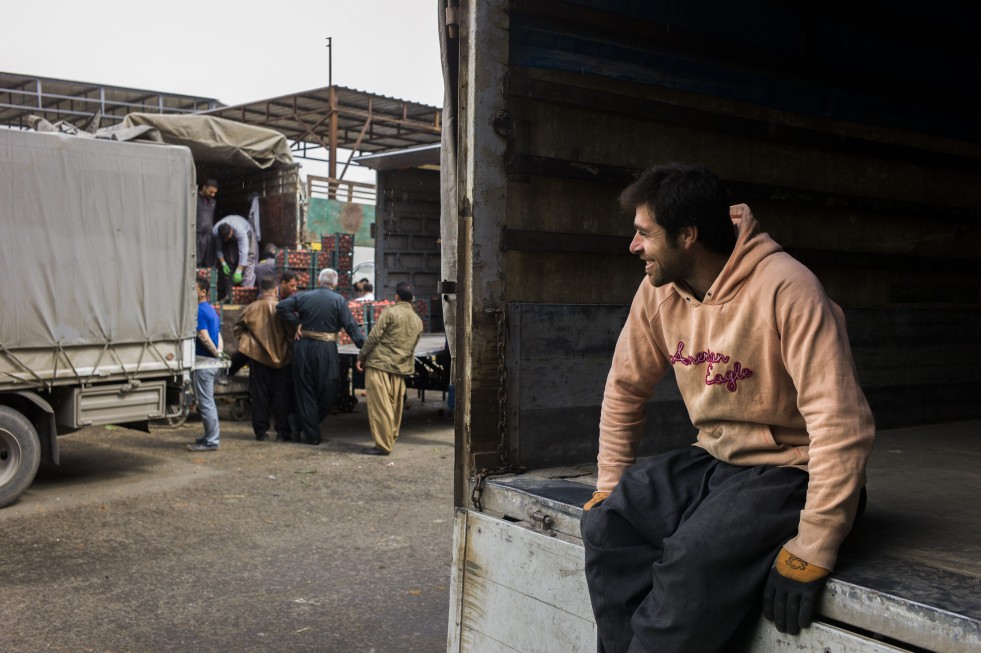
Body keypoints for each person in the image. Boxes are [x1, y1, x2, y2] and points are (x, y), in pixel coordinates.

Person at [580, 162, 875, 652]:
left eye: (644, 234)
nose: (633, 247)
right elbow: (625, 388)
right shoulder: (658, 292)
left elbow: (840, 423)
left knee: (691, 561)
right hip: (717, 458)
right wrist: (609, 484)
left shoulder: (788, 288)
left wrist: (815, 543)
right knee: (608, 523)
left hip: (792, 469)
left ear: (688, 236)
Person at [276, 268, 365, 445]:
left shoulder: (303, 296)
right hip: (325, 349)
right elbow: (351, 327)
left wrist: (296, 323)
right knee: (329, 389)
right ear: (336, 283)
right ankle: (312, 435)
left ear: (318, 280)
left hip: (303, 348)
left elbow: (282, 306)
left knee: (305, 390)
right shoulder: (339, 300)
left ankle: (301, 423)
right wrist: (365, 347)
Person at [355, 282, 423, 455]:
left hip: (379, 364)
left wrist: (361, 357)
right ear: (412, 299)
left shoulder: (390, 312)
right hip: (399, 368)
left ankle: (383, 446)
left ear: (396, 297)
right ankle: (390, 438)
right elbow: (413, 346)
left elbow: (374, 336)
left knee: (380, 407)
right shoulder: (417, 320)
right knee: (394, 407)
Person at [233, 276, 293, 442]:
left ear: (261, 290)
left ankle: (261, 432)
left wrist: (249, 343)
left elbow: (237, 329)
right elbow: (292, 332)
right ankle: (282, 432)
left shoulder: (251, 308)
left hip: (258, 358)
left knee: (260, 396)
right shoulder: (282, 308)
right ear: (275, 290)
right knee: (281, 397)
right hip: (283, 359)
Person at [188, 277, 224, 452]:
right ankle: (209, 436)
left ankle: (211, 441)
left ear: (203, 292)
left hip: (205, 364)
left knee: (206, 402)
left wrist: (215, 353)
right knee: (206, 402)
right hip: (213, 362)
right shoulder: (211, 310)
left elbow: (204, 336)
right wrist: (219, 354)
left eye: (194, 289)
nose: (191, 292)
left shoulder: (200, 311)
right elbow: (219, 336)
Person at [213, 214, 258, 301]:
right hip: (231, 237)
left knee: (248, 260)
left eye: (227, 238)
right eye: (224, 239)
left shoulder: (240, 231)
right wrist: (223, 263)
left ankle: (245, 294)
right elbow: (218, 249)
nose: (226, 240)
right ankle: (229, 295)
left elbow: (244, 252)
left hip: (247, 232)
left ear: (231, 231)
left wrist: (239, 270)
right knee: (230, 260)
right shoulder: (215, 231)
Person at [196, 179, 218, 268]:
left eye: (215, 193)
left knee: (209, 262)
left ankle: (206, 281)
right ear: (204, 187)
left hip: (209, 236)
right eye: (211, 192)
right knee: (197, 260)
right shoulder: (194, 199)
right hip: (197, 235)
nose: (213, 195)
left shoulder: (213, 202)